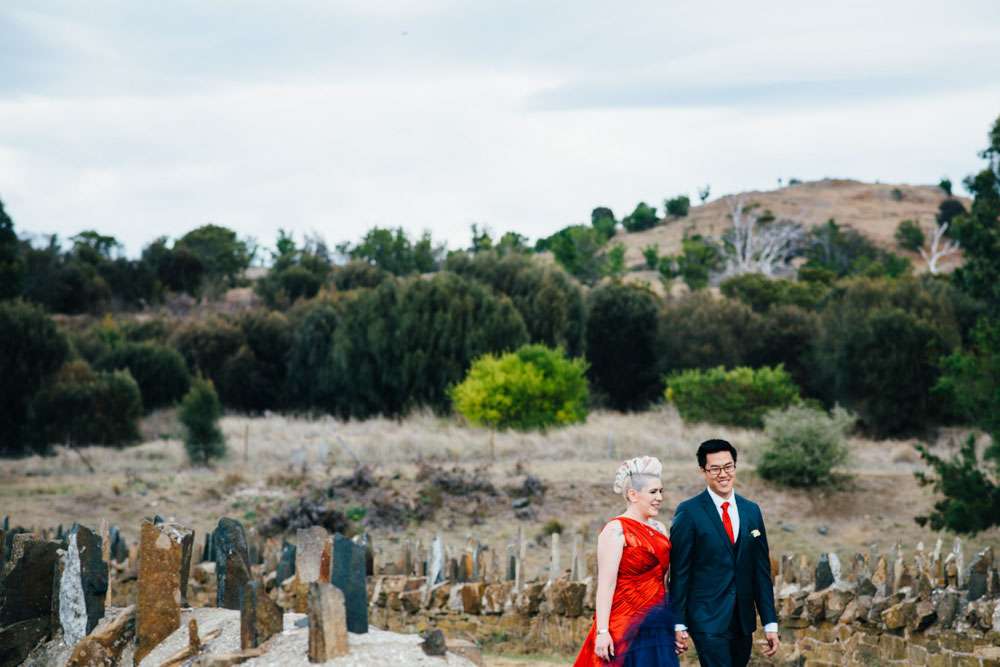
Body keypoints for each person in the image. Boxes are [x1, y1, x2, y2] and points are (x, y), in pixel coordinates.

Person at [669, 439, 779, 667]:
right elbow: (679, 572)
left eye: (728, 467)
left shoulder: (751, 511)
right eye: (715, 469)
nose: (723, 474)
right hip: (706, 618)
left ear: (735, 467)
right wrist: (678, 622)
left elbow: (761, 571)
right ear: (703, 471)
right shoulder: (689, 512)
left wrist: (770, 623)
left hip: (742, 620)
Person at [574, 456, 681, 666]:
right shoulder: (615, 530)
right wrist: (602, 632)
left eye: (661, 491)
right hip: (623, 624)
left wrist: (674, 624)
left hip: (656, 623)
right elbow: (606, 585)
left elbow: (665, 582)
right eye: (653, 492)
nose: (659, 497)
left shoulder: (660, 529)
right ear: (633, 494)